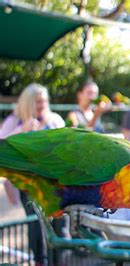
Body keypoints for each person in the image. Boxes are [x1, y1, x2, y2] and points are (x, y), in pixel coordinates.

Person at [0, 83, 65, 265]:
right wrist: (23, 130)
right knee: (35, 222)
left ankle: (59, 261)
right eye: (37, 101)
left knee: (59, 223)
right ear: (28, 102)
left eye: (44, 100)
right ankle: (39, 260)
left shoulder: (54, 120)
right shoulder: (15, 121)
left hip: (54, 181)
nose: (42, 104)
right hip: (27, 182)